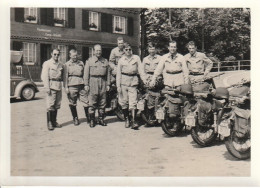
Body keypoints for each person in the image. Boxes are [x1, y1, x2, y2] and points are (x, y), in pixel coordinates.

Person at [116, 43, 146, 129]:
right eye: (126, 50)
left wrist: (144, 80)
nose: (128, 51)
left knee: (133, 102)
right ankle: (126, 119)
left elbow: (140, 70)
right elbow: (118, 74)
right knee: (124, 102)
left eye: (129, 49)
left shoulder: (136, 58)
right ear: (124, 51)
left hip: (133, 81)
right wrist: (118, 86)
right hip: (123, 82)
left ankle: (133, 120)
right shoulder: (121, 60)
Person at [84, 44, 110, 128]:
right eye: (97, 50)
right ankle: (92, 120)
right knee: (92, 102)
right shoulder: (89, 61)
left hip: (103, 81)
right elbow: (86, 74)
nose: (98, 52)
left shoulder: (105, 61)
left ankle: (101, 119)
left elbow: (108, 74)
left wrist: (108, 84)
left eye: (100, 50)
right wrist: (86, 84)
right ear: (94, 51)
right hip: (93, 81)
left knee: (102, 101)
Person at [63, 49, 89, 126]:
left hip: (81, 84)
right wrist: (66, 87)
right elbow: (65, 77)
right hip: (71, 85)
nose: (75, 57)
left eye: (76, 55)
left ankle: (88, 117)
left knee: (86, 102)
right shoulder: (67, 64)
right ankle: (75, 118)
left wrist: (86, 84)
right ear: (70, 55)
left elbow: (84, 74)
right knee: (72, 103)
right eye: (73, 55)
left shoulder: (81, 63)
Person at [41, 48, 64, 131]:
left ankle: (54, 121)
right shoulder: (47, 63)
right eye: (54, 54)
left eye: (58, 54)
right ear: (51, 54)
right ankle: (49, 122)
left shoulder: (61, 64)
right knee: (50, 105)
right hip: (51, 86)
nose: (56, 56)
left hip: (58, 86)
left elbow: (62, 76)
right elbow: (44, 76)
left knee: (57, 104)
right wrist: (47, 87)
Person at [140, 43, 162, 121]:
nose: (152, 51)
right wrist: (144, 80)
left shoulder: (160, 58)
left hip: (157, 79)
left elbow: (161, 70)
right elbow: (142, 71)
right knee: (148, 97)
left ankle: (157, 115)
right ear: (148, 50)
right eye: (150, 49)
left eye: (153, 49)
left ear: (155, 49)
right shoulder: (145, 59)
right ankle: (149, 116)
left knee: (157, 97)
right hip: (148, 79)